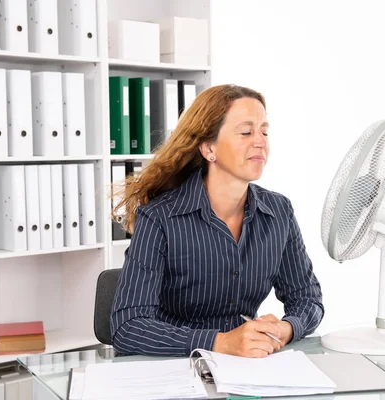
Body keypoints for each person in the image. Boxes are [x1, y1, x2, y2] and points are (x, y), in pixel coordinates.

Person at [110, 84, 324, 358]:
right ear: (209, 148)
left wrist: (287, 328)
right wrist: (220, 342)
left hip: (245, 367)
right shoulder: (160, 217)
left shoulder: (279, 211)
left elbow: (307, 299)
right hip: (175, 368)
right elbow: (127, 328)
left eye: (264, 131)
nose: (260, 141)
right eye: (246, 132)